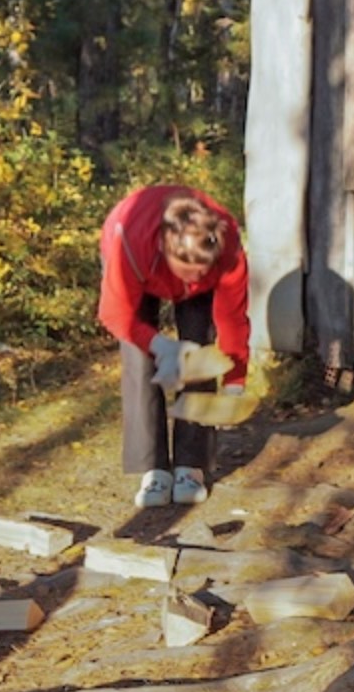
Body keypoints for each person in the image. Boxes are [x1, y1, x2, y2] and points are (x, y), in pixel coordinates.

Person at [97, 185, 251, 507]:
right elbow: (114, 313)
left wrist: (235, 382)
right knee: (140, 360)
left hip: (187, 258)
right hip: (136, 264)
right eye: (188, 272)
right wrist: (159, 345)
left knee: (198, 347)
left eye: (201, 273)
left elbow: (232, 318)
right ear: (166, 248)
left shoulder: (228, 249)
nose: (194, 280)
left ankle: (190, 464)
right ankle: (153, 468)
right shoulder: (131, 242)